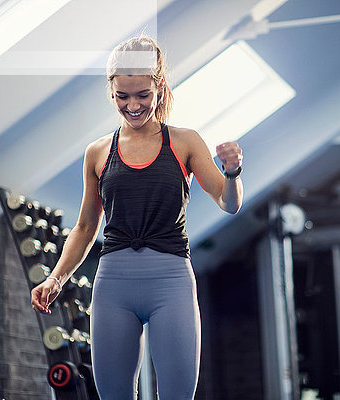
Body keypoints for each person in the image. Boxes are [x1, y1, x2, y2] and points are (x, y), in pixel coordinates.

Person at [30, 35, 243, 399]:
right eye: (122, 96)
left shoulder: (185, 141)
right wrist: (55, 278)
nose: (132, 105)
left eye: (142, 95)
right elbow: (85, 226)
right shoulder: (97, 152)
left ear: (159, 87)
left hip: (171, 281)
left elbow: (229, 202)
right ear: (111, 92)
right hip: (114, 285)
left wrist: (234, 172)